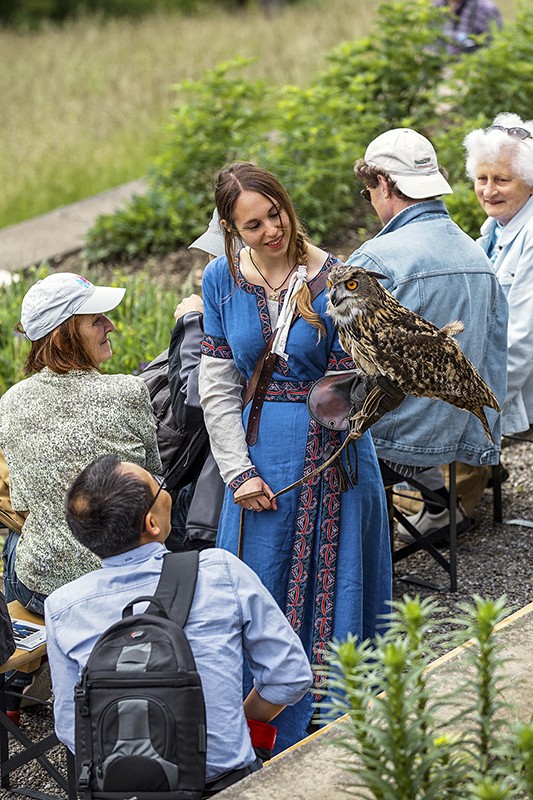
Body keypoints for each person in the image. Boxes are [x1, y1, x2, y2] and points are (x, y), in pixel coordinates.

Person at [198, 162, 392, 753]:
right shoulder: (221, 279)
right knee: (261, 583)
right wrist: (237, 469)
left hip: (332, 457)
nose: (270, 231)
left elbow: (364, 379)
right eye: (252, 225)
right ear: (233, 230)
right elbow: (218, 381)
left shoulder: (340, 278)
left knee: (335, 580)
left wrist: (357, 388)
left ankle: (335, 718)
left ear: (287, 204)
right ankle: (251, 725)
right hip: (258, 458)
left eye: (274, 214)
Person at [45, 455, 313, 790]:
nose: (165, 488)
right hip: (225, 782)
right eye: (159, 486)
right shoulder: (220, 571)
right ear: (152, 524)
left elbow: (71, 727)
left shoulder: (63, 607)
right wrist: (231, 727)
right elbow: (290, 677)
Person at [348, 128, 508, 538]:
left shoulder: (375, 261)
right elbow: (491, 356)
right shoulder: (477, 254)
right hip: (462, 433)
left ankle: (344, 557)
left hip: (396, 441)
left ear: (382, 183)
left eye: (369, 193)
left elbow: (342, 358)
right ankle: (438, 503)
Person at [0, 272, 161, 614]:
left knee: (17, 537)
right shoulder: (128, 392)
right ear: (61, 338)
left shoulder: (10, 402)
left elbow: (24, 504)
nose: (111, 326)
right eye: (97, 321)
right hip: (123, 585)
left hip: (42, 592)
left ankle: (22, 658)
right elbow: (150, 483)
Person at [464, 113, 533, 439]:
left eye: (502, 180)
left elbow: (524, 336)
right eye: (482, 178)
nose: (489, 191)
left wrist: (479, 402)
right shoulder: (494, 229)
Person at [166, 209, 228, 551]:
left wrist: (191, 323)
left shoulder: (239, 309)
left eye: (212, 258)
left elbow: (192, 405)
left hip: (219, 507)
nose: (204, 270)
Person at [433, 0, 502, 55]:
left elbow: (495, 46)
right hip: (436, 66)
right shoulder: (436, 5)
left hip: (468, 68)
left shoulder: (485, 7)